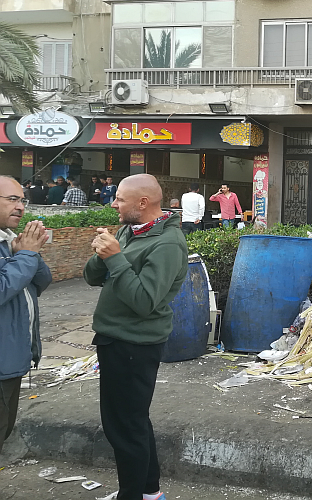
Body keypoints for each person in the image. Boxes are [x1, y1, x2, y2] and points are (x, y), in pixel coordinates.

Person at [83, 174, 188, 500]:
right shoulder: (129, 231)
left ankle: (132, 495)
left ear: (143, 203)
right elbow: (91, 277)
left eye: (120, 199)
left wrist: (116, 257)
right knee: (132, 422)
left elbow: (144, 302)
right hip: (115, 339)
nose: (114, 203)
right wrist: (104, 254)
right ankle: (149, 492)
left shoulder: (167, 244)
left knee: (124, 428)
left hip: (134, 344)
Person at [0, 177, 52, 455]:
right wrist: (26, 256)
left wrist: (31, 254)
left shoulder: (8, 240)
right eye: (11, 199)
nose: (20, 206)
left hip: (13, 359)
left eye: (22, 200)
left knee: (5, 429)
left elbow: (41, 282)